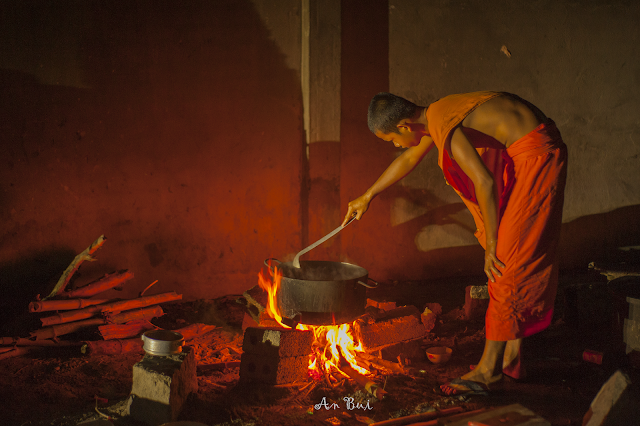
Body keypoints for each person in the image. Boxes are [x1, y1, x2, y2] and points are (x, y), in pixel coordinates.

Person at [343, 91, 568, 395]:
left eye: (392, 141)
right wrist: (367, 195)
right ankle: (512, 358)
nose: (395, 147)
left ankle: (489, 372)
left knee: (504, 259)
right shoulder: (437, 115)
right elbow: (410, 157)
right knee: (512, 258)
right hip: (531, 149)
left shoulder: (442, 122)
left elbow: (484, 181)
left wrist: (491, 244)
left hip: (536, 155)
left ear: (405, 126)